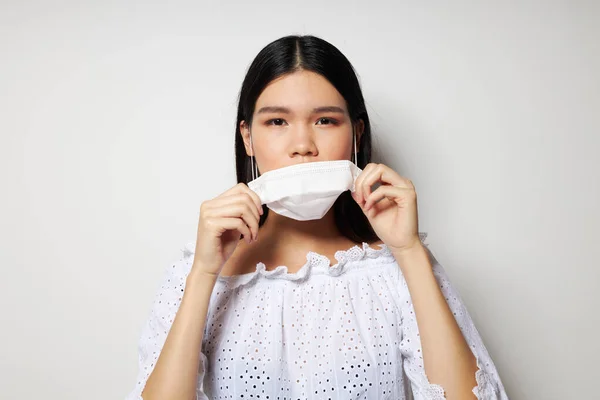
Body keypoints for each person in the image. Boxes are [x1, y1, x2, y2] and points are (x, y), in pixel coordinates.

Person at [126, 35, 508, 400]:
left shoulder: (395, 269)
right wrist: (204, 274)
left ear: (356, 135)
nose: (303, 146)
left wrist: (407, 250)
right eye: (277, 122)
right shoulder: (195, 273)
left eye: (325, 120)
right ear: (248, 138)